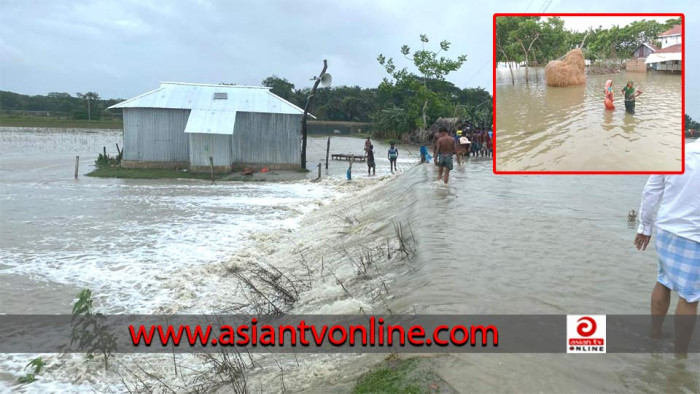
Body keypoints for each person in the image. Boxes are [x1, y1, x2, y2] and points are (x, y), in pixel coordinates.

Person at [634, 141, 700, 355]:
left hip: (665, 229)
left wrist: (645, 226)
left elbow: (651, 191)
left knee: (663, 280)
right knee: (689, 297)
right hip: (694, 235)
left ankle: (654, 335)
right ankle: (680, 355)